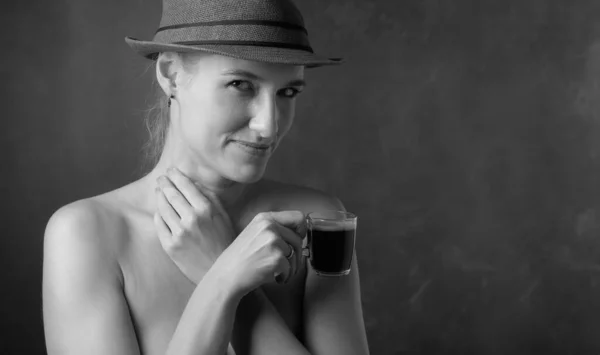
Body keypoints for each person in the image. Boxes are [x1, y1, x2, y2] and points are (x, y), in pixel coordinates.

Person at [42, 0, 370, 354]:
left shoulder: (321, 222)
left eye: (287, 92)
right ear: (171, 75)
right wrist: (222, 280)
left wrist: (220, 271)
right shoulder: (87, 235)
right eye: (241, 84)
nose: (269, 125)